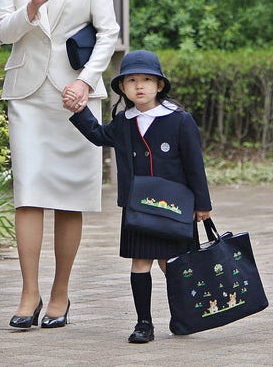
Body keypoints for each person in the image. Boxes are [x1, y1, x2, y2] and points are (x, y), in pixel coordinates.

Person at [0, 0, 119, 328]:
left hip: (75, 98)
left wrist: (85, 83)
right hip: (28, 94)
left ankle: (61, 292)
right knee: (28, 194)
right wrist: (32, 6)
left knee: (69, 198)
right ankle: (29, 294)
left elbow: (108, 32)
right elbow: (1, 32)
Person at [65, 49, 212, 342]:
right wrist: (79, 111)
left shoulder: (180, 120)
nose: (139, 86)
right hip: (139, 208)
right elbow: (97, 135)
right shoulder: (123, 122)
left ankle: (183, 314)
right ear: (122, 87)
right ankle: (144, 323)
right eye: (131, 80)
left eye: (147, 79)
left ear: (160, 85)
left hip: (177, 207)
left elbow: (195, 164)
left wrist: (202, 205)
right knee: (140, 263)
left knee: (175, 264)